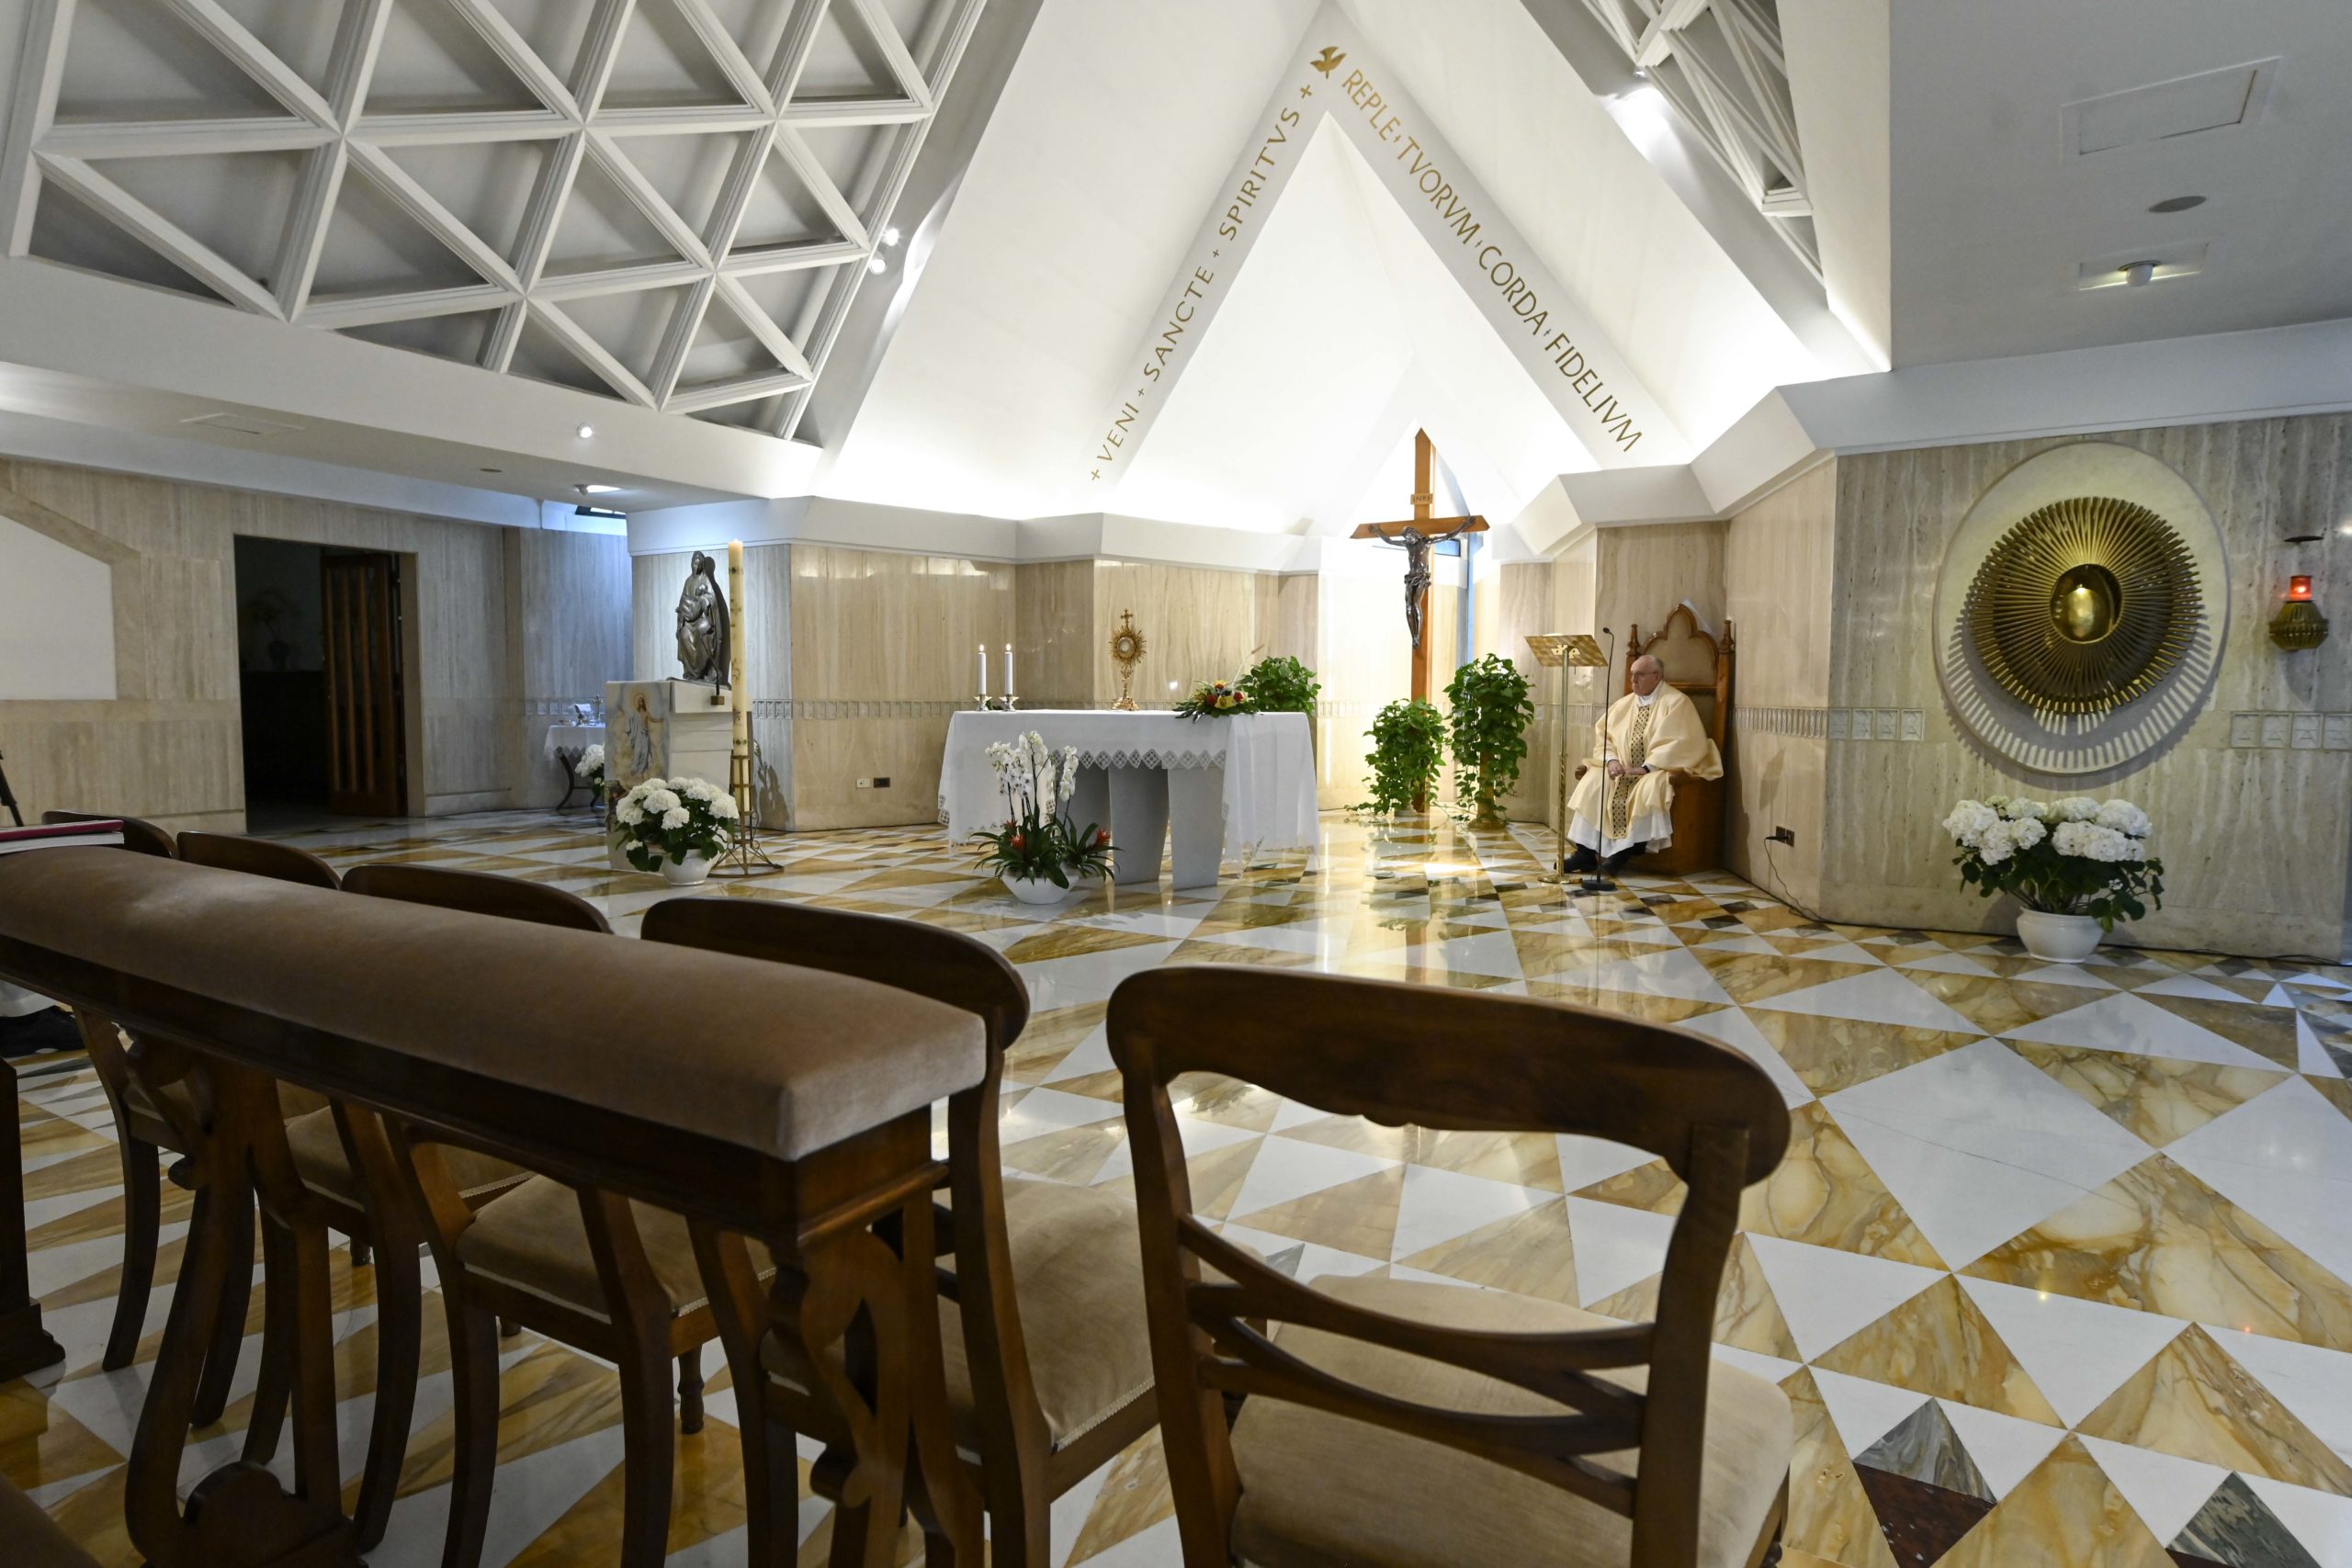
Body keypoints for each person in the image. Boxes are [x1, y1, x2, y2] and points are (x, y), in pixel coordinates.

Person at [1563, 653, 1722, 874]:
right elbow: (1605, 737)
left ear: (1657, 676)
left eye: (1640, 675)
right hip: (1622, 769)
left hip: (1658, 769)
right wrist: (1612, 760)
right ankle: (1585, 853)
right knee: (1593, 781)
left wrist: (1646, 768)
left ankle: (1621, 855)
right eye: (1632, 675)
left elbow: (1682, 743)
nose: (1633, 680)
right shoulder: (1624, 705)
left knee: (1650, 788)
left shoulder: (1676, 703)